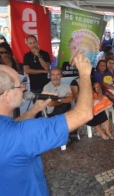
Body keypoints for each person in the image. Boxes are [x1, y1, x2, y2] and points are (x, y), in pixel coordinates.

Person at [0, 53, 94, 195]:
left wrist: (36, 109)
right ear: (6, 94)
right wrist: (85, 75)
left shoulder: (10, 131)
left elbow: (10, 129)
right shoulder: (23, 134)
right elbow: (84, 113)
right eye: (20, 85)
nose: (24, 88)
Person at [43, 67, 79, 141]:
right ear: (50, 76)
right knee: (60, 110)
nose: (55, 77)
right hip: (52, 112)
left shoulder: (66, 86)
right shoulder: (47, 88)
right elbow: (50, 104)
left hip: (66, 109)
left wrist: (57, 99)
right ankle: (64, 135)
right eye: (53, 75)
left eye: (58, 75)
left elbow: (70, 99)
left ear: (61, 76)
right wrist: (63, 99)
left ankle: (71, 135)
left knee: (70, 111)